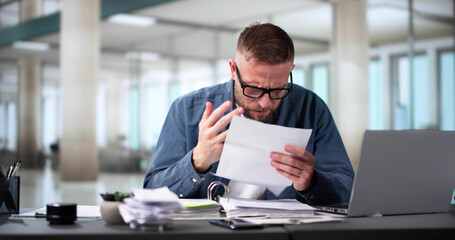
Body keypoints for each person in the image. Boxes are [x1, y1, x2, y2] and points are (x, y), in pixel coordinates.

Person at [143, 22, 354, 204]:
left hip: (282, 232)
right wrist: (197, 161)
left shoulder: (311, 108)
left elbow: (348, 189)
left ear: (290, 71)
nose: (265, 102)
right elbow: (151, 192)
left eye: (278, 90)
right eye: (253, 89)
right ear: (233, 69)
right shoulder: (186, 109)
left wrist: (311, 182)